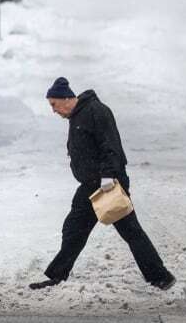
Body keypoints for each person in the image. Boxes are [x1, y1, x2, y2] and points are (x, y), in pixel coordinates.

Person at [29, 77, 176, 290]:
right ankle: (57, 276)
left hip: (109, 185)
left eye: (53, 104)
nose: (53, 110)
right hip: (90, 186)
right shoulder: (77, 116)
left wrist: (108, 177)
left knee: (131, 231)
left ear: (67, 98)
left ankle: (161, 276)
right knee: (73, 229)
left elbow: (111, 146)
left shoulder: (97, 112)